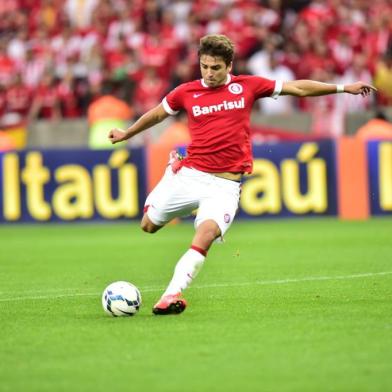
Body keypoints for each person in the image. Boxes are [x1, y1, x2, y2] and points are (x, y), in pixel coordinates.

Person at [108, 34, 375, 315]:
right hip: (189, 174)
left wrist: (344, 87)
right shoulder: (185, 92)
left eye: (216, 68)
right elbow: (158, 114)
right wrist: (127, 133)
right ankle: (172, 174)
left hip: (224, 186)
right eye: (204, 66)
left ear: (229, 65)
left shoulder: (247, 86)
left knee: (206, 233)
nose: (209, 73)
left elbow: (298, 88)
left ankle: (171, 294)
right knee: (148, 225)